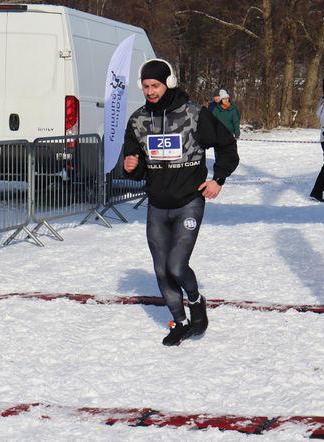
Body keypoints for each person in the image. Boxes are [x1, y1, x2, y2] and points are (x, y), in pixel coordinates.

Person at [123, 59, 239, 346]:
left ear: (169, 83)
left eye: (156, 86)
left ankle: (196, 301)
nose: (150, 91)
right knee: (161, 269)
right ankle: (180, 322)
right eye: (146, 86)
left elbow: (227, 146)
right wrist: (130, 166)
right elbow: (136, 166)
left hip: (189, 201)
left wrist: (218, 179)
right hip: (157, 205)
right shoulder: (138, 120)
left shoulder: (194, 114)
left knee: (176, 266)